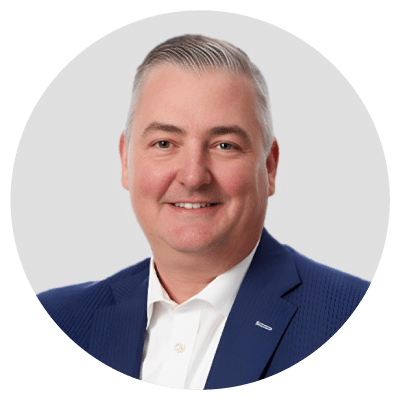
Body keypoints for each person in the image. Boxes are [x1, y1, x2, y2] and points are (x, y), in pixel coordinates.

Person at [37, 35, 370, 390]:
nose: (194, 176)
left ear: (269, 167)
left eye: (224, 145)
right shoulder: (53, 322)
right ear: (126, 161)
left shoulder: (361, 322)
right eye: (164, 143)